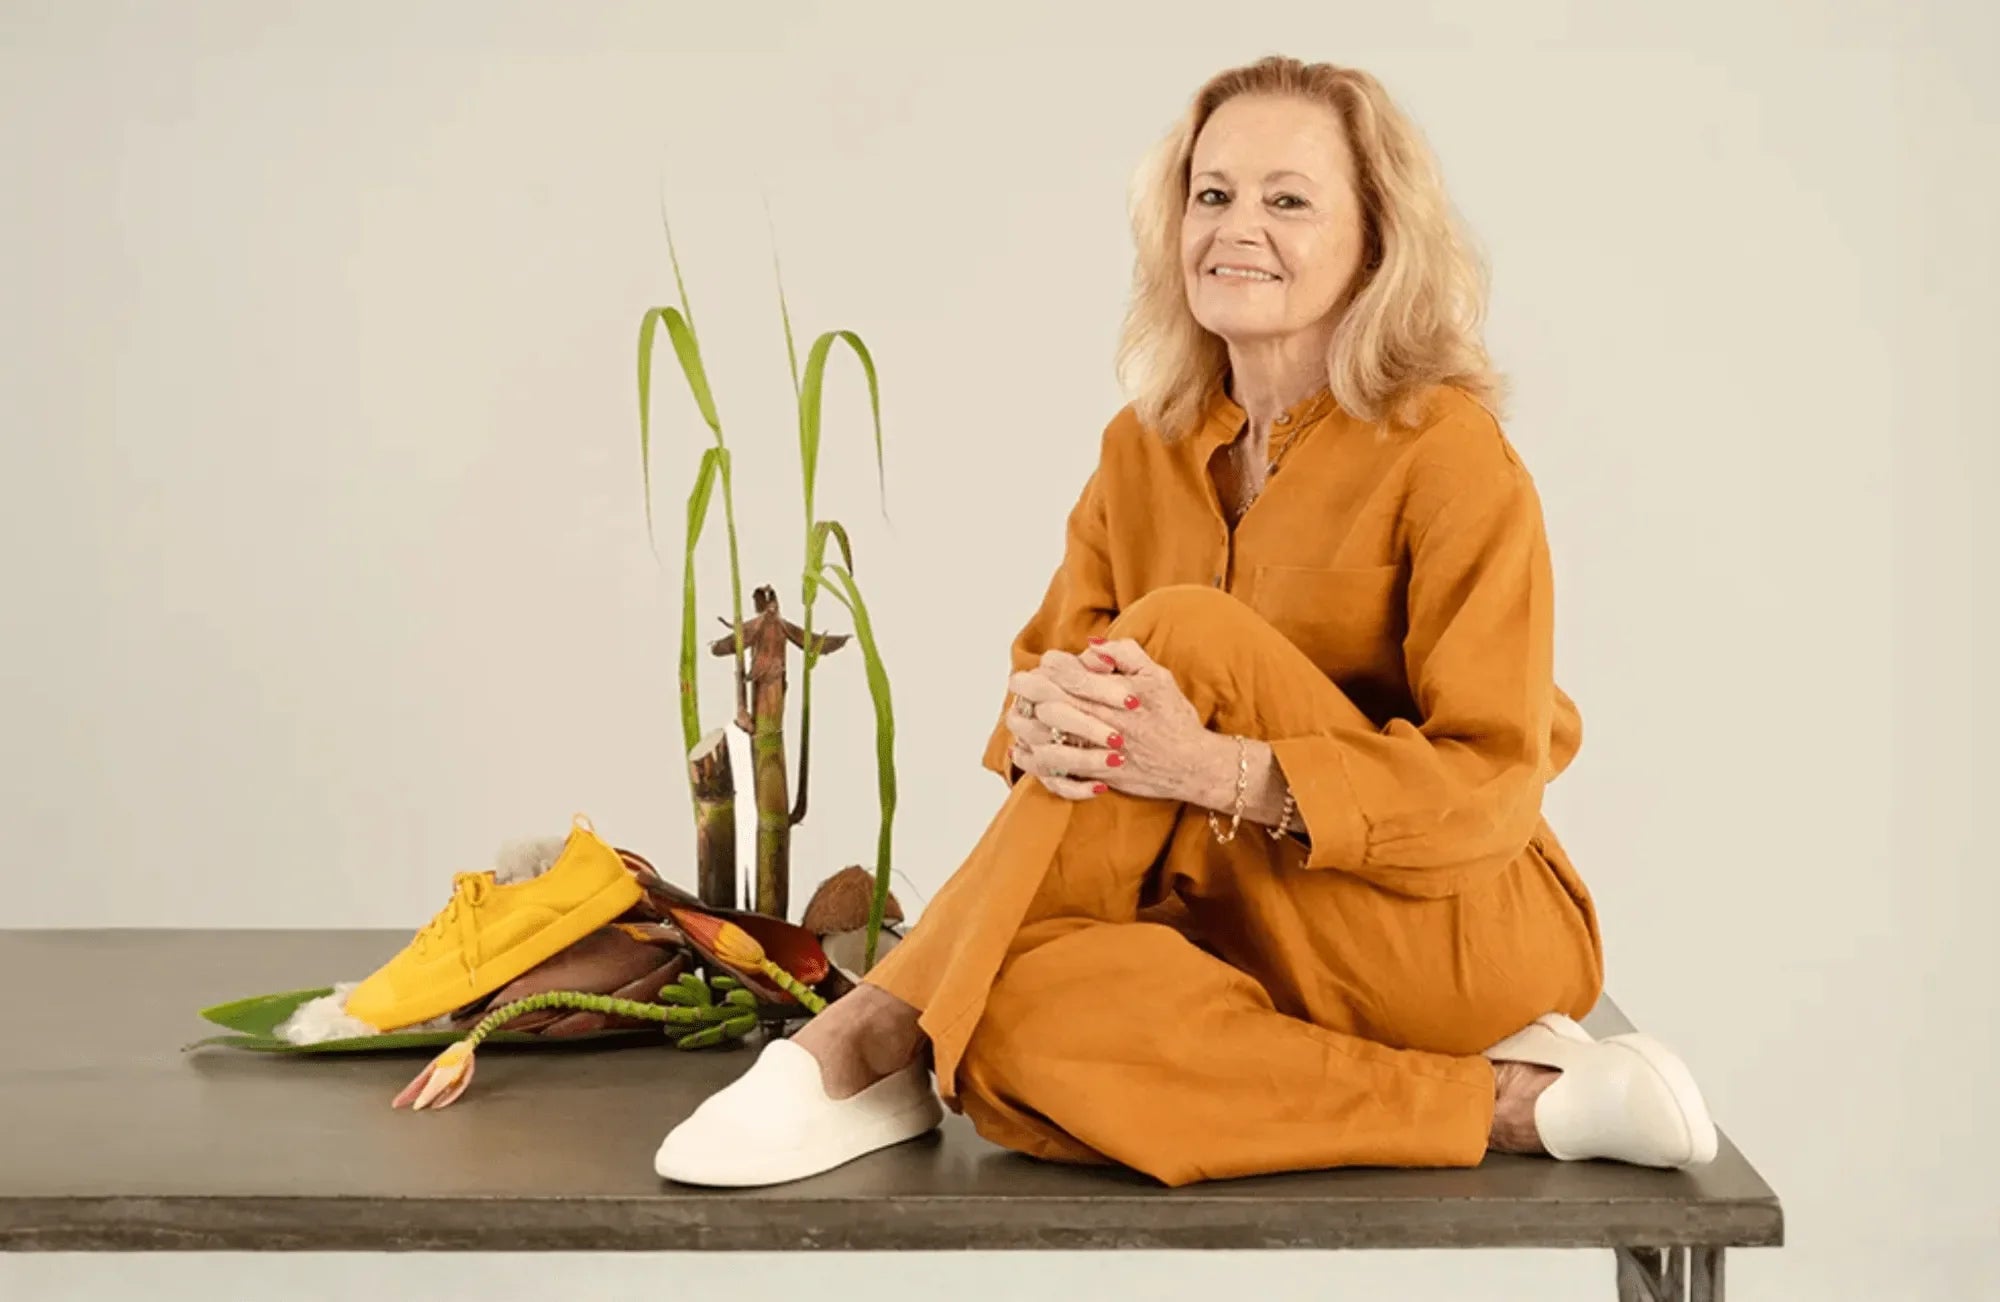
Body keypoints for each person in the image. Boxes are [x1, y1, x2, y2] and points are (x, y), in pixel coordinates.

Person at [654, 54, 1718, 1189]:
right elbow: (1042, 724)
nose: (1234, 227)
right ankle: (1512, 1105)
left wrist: (1222, 771)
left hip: (1452, 929)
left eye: (1286, 199)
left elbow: (1492, 787)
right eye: (1210, 195)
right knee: (1006, 1020)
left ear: (1375, 236)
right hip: (1229, 938)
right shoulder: (1142, 446)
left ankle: (870, 1031)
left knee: (1182, 636)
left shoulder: (1448, 453)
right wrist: (1037, 713)